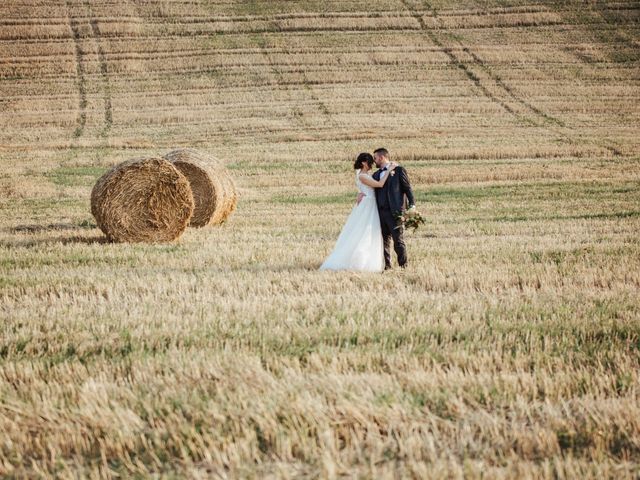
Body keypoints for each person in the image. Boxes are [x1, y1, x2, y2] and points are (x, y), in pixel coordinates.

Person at [320, 153, 396, 272]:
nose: (372, 164)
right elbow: (380, 184)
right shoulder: (362, 176)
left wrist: (360, 192)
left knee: (370, 232)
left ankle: (366, 260)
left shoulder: (365, 174)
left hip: (370, 203)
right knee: (363, 232)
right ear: (364, 163)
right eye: (370, 161)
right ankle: (358, 262)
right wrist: (389, 171)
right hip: (367, 205)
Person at [371, 148, 415, 269]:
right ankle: (387, 266)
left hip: (395, 212)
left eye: (375, 158)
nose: (374, 161)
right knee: (384, 241)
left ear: (381, 157)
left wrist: (412, 206)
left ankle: (403, 265)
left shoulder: (399, 170)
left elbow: (408, 188)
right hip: (380, 213)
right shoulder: (375, 175)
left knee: (398, 240)